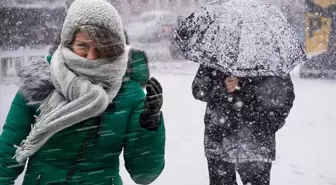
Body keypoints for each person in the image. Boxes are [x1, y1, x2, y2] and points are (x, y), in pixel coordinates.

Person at [0, 0, 165, 184]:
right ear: (68, 43)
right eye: (82, 46)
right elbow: (7, 153)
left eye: (101, 50)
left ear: (114, 50)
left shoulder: (129, 93)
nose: (91, 58)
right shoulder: (41, 81)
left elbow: (144, 174)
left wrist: (149, 124)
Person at [192, 65, 295, 185]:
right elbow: (198, 89)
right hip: (220, 140)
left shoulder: (269, 57)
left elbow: (286, 96)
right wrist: (222, 86)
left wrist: (269, 124)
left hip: (257, 143)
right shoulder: (216, 54)